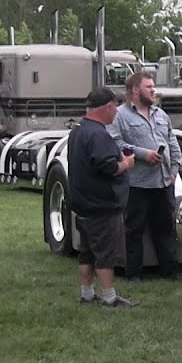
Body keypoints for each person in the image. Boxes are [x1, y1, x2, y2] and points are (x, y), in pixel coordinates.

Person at [110, 70, 182, 281]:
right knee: (134, 229)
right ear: (135, 90)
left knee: (165, 228)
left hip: (163, 182)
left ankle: (170, 271)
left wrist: (173, 171)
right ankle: (133, 274)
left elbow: (172, 144)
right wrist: (142, 154)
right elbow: (115, 144)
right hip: (137, 184)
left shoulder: (161, 115)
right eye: (148, 87)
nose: (153, 90)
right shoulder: (120, 116)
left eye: (153, 86)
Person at [68, 87, 137, 307]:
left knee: (86, 252)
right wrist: (126, 163)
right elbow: (108, 167)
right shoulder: (98, 134)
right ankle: (109, 297)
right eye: (115, 107)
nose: (116, 112)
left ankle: (86, 293)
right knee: (105, 253)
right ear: (107, 107)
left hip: (83, 203)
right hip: (102, 205)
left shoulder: (77, 130)